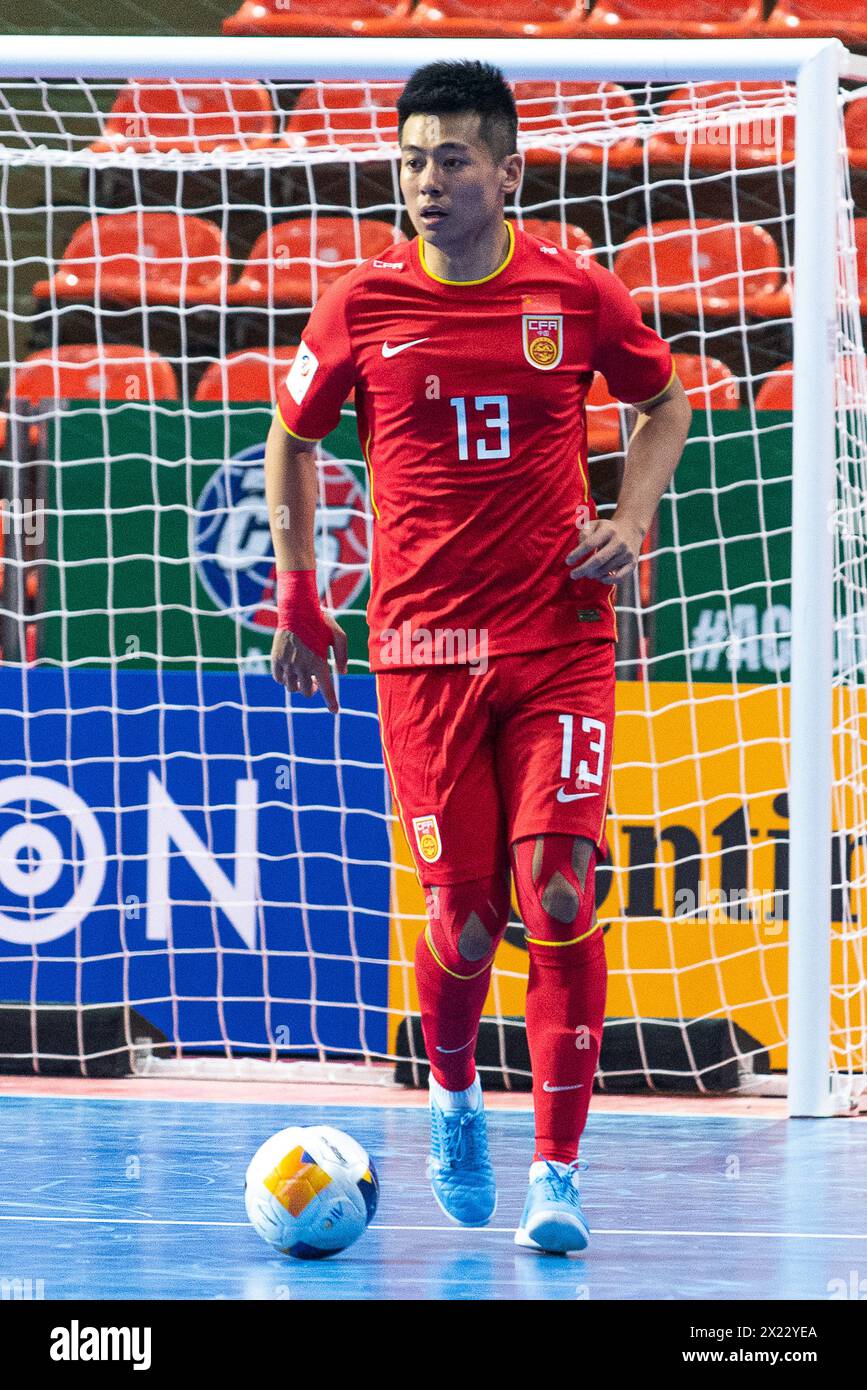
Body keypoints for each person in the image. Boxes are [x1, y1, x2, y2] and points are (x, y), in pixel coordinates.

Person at [266, 60, 691, 1254]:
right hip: (424, 651)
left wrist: (632, 517)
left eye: (453, 159)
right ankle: (455, 1095)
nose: (427, 181)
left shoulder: (575, 290)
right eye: (411, 160)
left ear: (507, 173)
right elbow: (289, 442)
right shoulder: (360, 305)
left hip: (558, 638)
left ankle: (556, 1172)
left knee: (559, 886)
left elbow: (665, 405)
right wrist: (300, 592)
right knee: (464, 924)